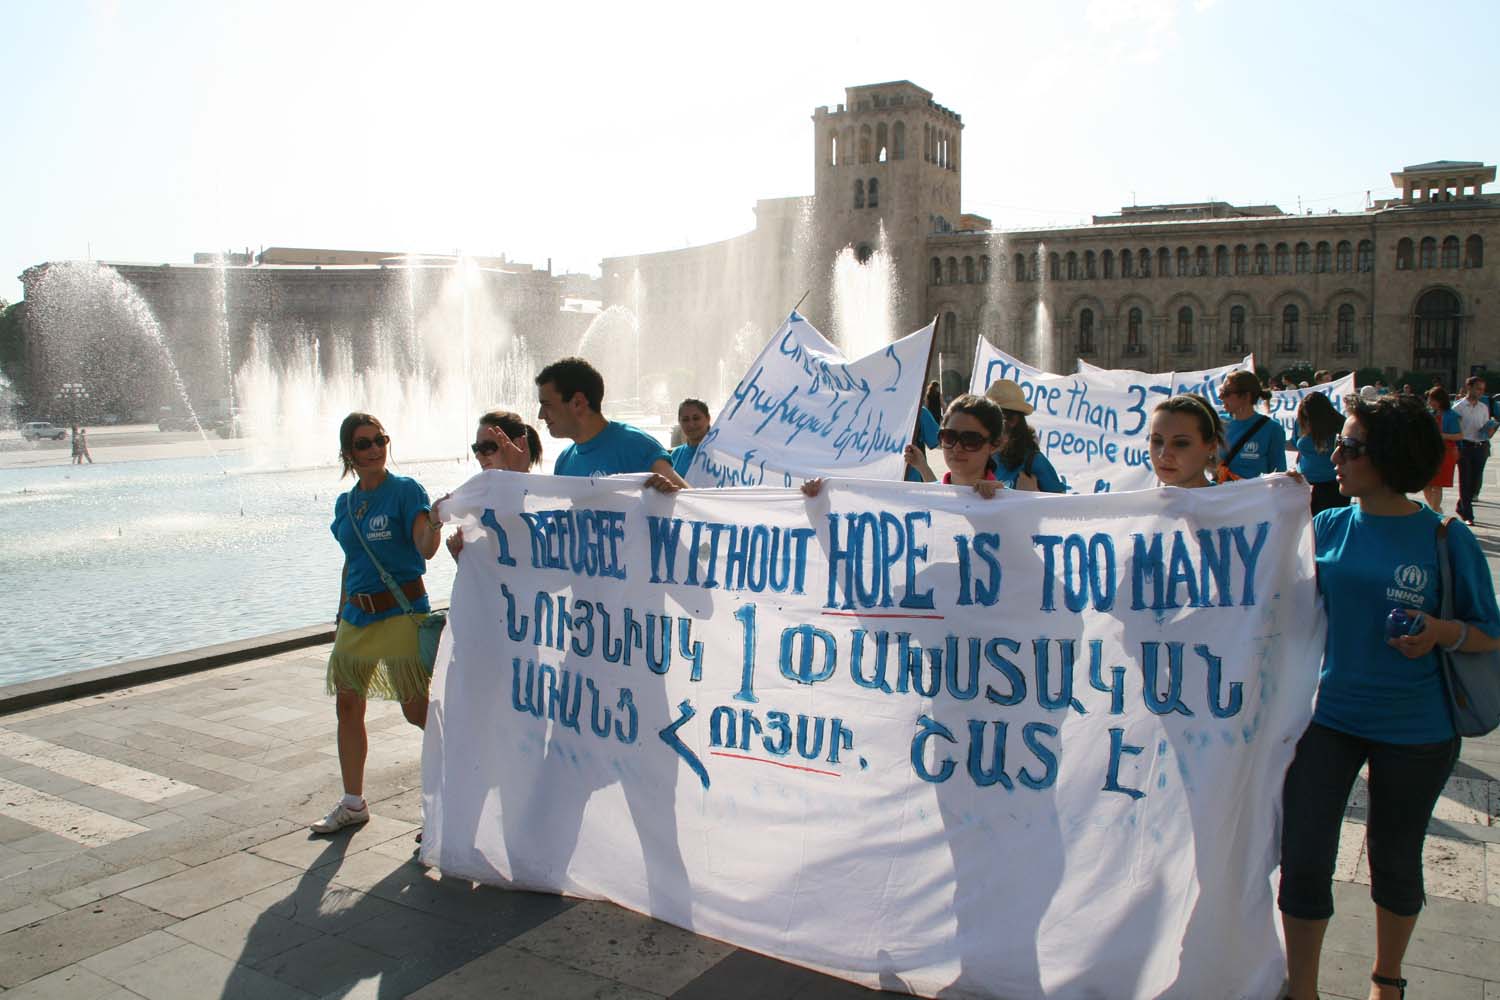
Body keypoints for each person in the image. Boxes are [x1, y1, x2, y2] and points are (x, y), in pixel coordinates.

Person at [1279, 393, 1500, 1000]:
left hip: (1418, 728)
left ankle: (1387, 980)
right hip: (1327, 719)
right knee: (1303, 857)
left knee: (1395, 858)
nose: (1336, 458)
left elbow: (1489, 631)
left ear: (1389, 457)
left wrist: (1440, 633)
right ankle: (1302, 988)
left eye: (1349, 447)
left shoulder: (1444, 539)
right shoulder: (1325, 525)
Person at [313, 413, 443, 834]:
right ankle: (353, 803)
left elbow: (426, 549)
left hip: (400, 611)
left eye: (379, 441)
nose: (373, 450)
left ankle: (458, 782)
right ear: (347, 453)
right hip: (356, 615)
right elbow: (351, 561)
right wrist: (339, 615)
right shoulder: (346, 504)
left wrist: (436, 524)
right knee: (347, 704)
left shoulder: (406, 491)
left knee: (415, 709)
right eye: (362, 444)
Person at [535, 357, 686, 490]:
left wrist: (668, 495)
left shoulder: (636, 446)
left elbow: (692, 506)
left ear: (578, 403)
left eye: (547, 405)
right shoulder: (564, 461)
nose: (541, 415)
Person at [446, 410, 543, 562]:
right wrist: (461, 556)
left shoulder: (546, 496)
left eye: (488, 447)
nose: (478, 455)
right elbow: (490, 574)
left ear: (516, 444)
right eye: (476, 448)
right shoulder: (480, 503)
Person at [901, 393, 1004, 497]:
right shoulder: (924, 498)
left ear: (995, 444)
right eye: (949, 436)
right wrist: (922, 466)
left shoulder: (1010, 503)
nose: (957, 448)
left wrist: (1004, 501)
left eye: (970, 439)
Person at [984, 379, 1066, 492]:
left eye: (991, 419)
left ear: (1013, 420)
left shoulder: (1035, 461)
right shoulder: (979, 459)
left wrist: (1033, 497)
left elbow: (1061, 505)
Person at [1216, 370, 1287, 481]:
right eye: (1221, 391)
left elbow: (1280, 473)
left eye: (1226, 392)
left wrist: (1292, 475)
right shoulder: (1218, 424)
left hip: (1255, 496)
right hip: (1222, 494)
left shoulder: (1272, 429)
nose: (1220, 397)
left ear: (1246, 396)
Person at [1148, 394, 1221, 489]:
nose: (1164, 455)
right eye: (1157, 441)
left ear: (1212, 446)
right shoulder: (1140, 503)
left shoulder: (1231, 503)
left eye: (1180, 443)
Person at [1295, 392, 1348, 516]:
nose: (1306, 419)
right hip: (1307, 484)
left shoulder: (1338, 427)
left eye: (1309, 415)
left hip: (1332, 484)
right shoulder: (1301, 422)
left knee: (1330, 524)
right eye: (1304, 415)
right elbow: (1297, 444)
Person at [1452, 375, 1495, 525]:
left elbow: (1485, 429)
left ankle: (1461, 506)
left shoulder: (1484, 407)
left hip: (1480, 447)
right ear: (1469, 388)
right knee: (1466, 480)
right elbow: (1453, 429)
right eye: (1478, 388)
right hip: (1465, 447)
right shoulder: (1458, 407)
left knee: (1475, 482)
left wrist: (1491, 429)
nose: (1480, 392)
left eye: (1482, 389)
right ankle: (1468, 515)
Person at [1423, 386, 1461, 515]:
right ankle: (1437, 510)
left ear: (1440, 400)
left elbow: (1459, 435)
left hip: (1446, 452)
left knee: (1438, 484)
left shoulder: (1451, 415)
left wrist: (1442, 435)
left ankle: (1434, 512)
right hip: (1430, 451)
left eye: (1432, 399)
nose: (1430, 402)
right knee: (1426, 483)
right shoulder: (1430, 414)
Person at [670, 398, 710, 478]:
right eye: (685, 420)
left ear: (708, 418)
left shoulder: (720, 452)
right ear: (679, 422)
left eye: (696, 418)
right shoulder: (676, 455)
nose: (691, 424)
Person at [906, 405, 941, 482]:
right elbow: (936, 439)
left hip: (877, 482)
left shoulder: (919, 411)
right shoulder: (919, 410)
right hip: (913, 483)